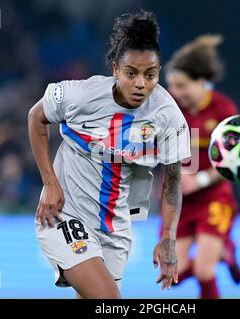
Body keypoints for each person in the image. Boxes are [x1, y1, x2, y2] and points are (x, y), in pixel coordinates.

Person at [28, 10, 191, 299]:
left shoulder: (168, 117)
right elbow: (36, 117)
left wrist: (168, 237)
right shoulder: (80, 96)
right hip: (65, 216)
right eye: (131, 73)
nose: (141, 83)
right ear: (115, 69)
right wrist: (50, 182)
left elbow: (173, 180)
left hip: (115, 230)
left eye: (150, 74)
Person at [164, 35, 240, 299]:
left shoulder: (223, 109)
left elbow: (235, 160)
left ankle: (222, 247)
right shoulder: (173, 110)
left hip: (214, 197)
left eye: (182, 86)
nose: (176, 93)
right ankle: (225, 250)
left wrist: (200, 181)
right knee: (172, 277)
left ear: (200, 81)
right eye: (172, 86)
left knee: (203, 272)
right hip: (182, 203)